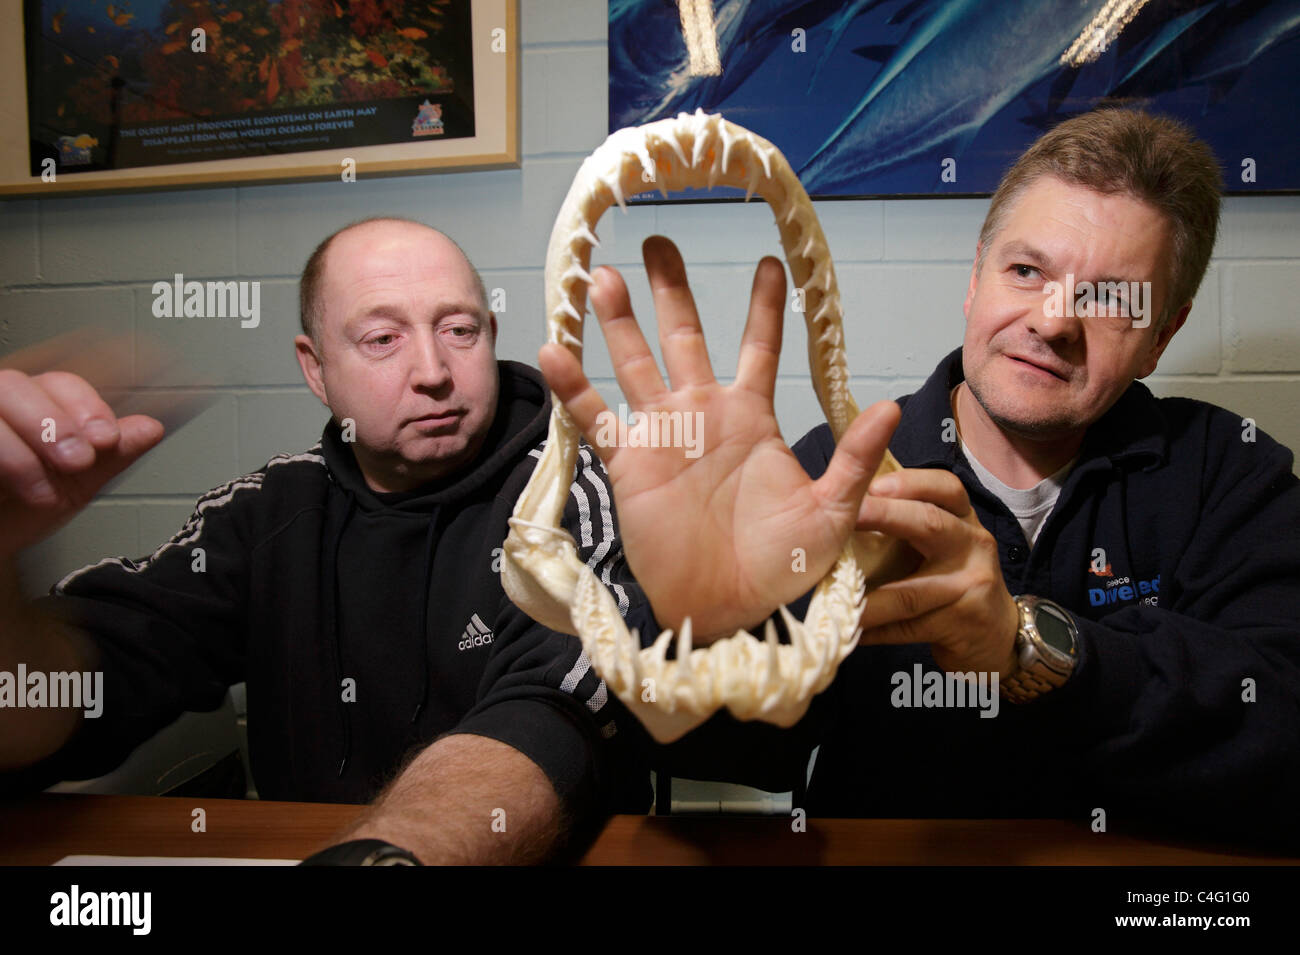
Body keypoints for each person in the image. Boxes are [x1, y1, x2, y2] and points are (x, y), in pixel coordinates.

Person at [538, 108, 1300, 848]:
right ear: (976, 279)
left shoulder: (1230, 474)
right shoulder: (836, 469)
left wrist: (1027, 647)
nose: (1053, 320)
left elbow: (1281, 736)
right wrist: (706, 628)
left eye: (1108, 297)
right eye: (1026, 270)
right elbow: (711, 752)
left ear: (1161, 334)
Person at [0, 217, 651, 864]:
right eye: (382, 338)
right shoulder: (267, 512)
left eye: (459, 329)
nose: (432, 370)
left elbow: (560, 708)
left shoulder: (572, 490)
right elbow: (68, 696)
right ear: (316, 369)